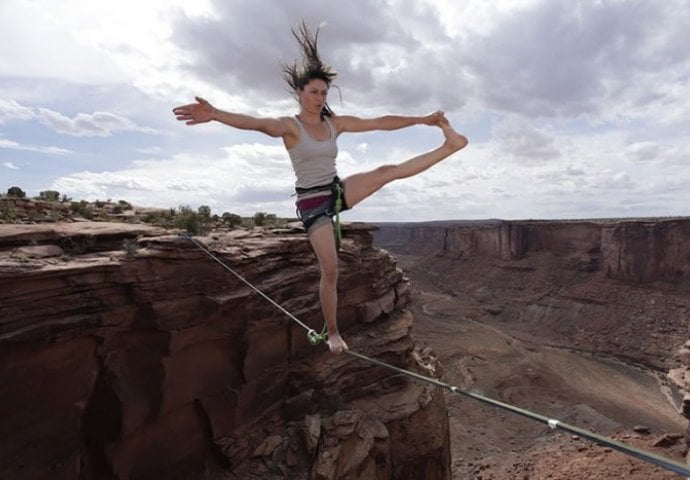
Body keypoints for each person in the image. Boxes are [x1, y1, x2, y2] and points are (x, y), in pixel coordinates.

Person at [173, 22, 468, 354]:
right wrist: (216, 114)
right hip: (313, 206)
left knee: (388, 171)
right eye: (313, 92)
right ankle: (332, 333)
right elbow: (256, 123)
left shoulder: (334, 124)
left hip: (335, 191)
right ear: (300, 92)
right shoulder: (290, 126)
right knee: (330, 269)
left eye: (324, 93)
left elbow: (379, 122)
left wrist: (422, 119)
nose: (319, 98)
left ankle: (450, 146)